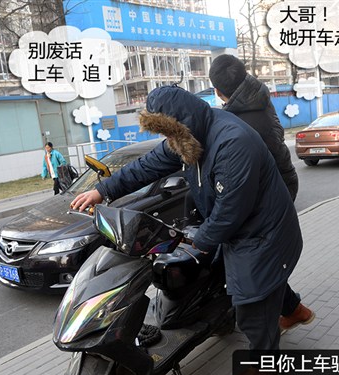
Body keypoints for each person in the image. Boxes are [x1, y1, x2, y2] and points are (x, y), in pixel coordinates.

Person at [71, 85, 303, 353]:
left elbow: (230, 210)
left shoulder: (232, 143)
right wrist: (102, 190)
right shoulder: (187, 135)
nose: (167, 139)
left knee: (251, 306)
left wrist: (201, 240)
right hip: (245, 227)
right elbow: (146, 166)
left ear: (181, 122)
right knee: (262, 279)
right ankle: (296, 311)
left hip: (263, 232)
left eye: (168, 132)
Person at [208, 54, 314, 334]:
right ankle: (293, 310)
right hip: (283, 179)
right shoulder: (257, 97)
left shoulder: (235, 122)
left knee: (256, 257)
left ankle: (278, 322)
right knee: (263, 255)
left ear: (216, 90)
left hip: (270, 189)